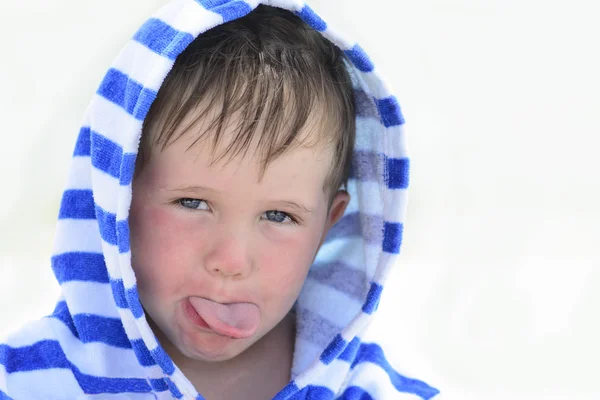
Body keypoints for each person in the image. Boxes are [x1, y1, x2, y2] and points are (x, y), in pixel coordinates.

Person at [0, 1, 439, 399]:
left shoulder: (366, 391)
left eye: (278, 215)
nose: (231, 260)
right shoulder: (28, 384)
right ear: (118, 199)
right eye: (193, 203)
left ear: (328, 223)